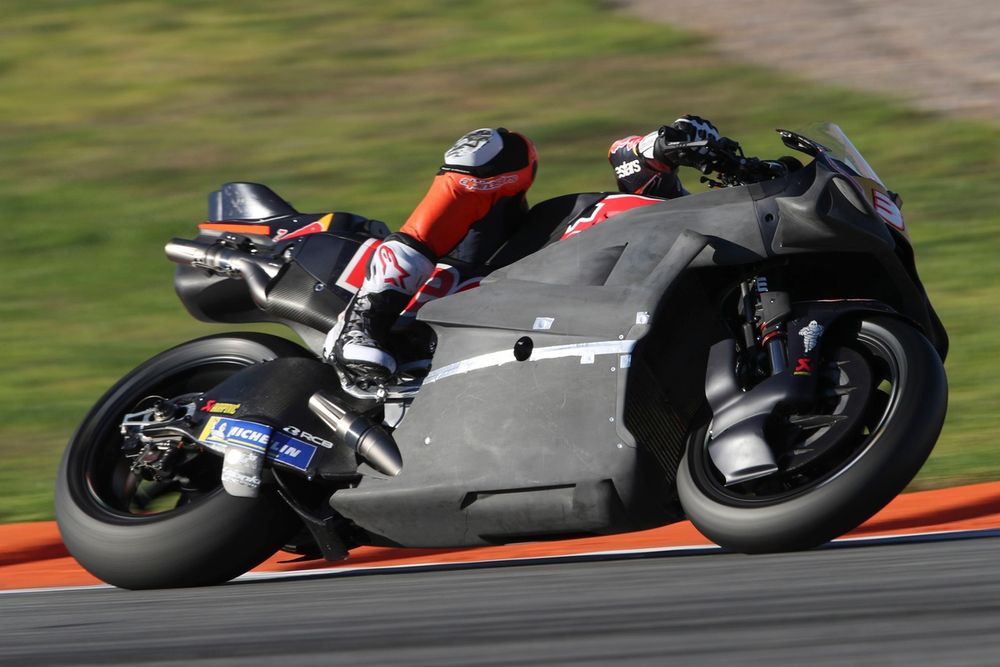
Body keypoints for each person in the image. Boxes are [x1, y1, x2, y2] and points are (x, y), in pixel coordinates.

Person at [329, 116, 721, 382]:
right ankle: (365, 321)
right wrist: (667, 144)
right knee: (501, 149)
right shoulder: (688, 213)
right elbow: (626, 157)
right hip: (488, 266)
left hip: (548, 326)